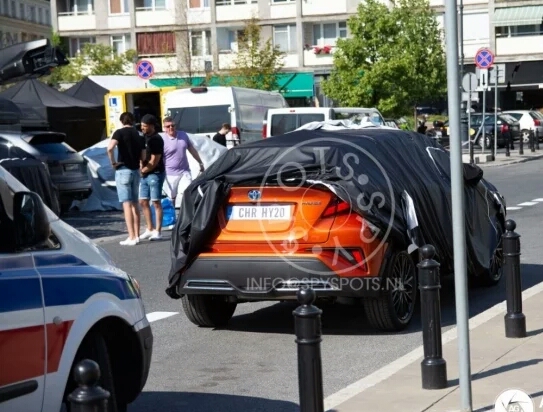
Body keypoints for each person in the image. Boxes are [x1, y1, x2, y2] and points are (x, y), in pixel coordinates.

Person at [107, 112, 146, 246]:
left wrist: (113, 162)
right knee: (135, 203)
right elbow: (143, 155)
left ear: (121, 121)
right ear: (134, 121)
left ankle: (131, 236)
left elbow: (110, 148)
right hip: (136, 170)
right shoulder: (139, 134)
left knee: (126, 203)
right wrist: (140, 163)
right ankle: (137, 235)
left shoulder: (119, 133)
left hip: (123, 169)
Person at [161, 116, 205, 208]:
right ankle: (173, 218)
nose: (171, 128)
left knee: (187, 192)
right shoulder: (162, 139)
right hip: (170, 173)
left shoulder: (183, 135)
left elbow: (192, 149)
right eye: (168, 126)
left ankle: (187, 216)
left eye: (173, 125)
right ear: (164, 128)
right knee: (171, 197)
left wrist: (200, 162)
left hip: (184, 171)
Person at [139, 114, 166, 241]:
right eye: (142, 125)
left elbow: (155, 160)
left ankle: (158, 231)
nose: (142, 128)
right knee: (143, 201)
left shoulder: (156, 139)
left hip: (155, 173)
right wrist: (141, 167)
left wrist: (144, 170)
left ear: (151, 126)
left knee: (156, 202)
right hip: (144, 173)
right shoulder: (143, 137)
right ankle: (149, 228)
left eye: (145, 126)